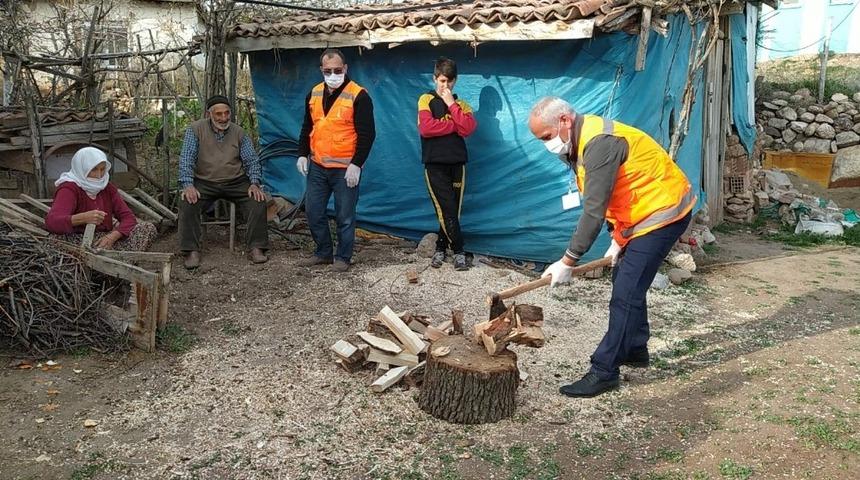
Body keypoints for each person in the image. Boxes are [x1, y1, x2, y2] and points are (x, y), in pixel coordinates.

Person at [528, 97, 697, 398]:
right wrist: (618, 238)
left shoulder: (598, 143)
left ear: (564, 120)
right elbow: (618, 194)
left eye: (546, 137)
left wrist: (568, 260)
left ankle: (605, 371)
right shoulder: (580, 140)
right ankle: (635, 348)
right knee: (626, 281)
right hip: (642, 213)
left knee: (625, 293)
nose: (547, 145)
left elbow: (593, 210)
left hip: (663, 213)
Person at [296, 48, 376, 272]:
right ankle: (323, 252)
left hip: (345, 169)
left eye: (337, 70)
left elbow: (367, 134)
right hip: (318, 166)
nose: (333, 74)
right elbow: (307, 126)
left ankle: (343, 257)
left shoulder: (359, 95)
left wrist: (356, 164)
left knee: (345, 216)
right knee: (313, 211)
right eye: (328, 70)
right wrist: (302, 153)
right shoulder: (314, 93)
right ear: (321, 70)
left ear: (346, 69)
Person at [178, 95, 269, 269]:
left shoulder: (238, 132)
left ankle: (257, 247)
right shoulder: (196, 130)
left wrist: (254, 183)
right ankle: (191, 250)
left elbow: (251, 161)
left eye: (227, 113)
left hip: (235, 180)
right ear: (209, 114)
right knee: (187, 201)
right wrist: (188, 185)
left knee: (257, 200)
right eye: (218, 114)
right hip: (204, 181)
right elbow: (187, 159)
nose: (223, 118)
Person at [417, 57, 477, 271]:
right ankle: (459, 251)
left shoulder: (462, 105)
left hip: (457, 163)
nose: (446, 85)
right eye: (442, 81)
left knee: (453, 210)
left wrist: (452, 104)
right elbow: (426, 128)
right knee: (446, 210)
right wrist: (454, 126)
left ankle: (441, 248)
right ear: (435, 79)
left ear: (456, 81)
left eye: (450, 81)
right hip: (434, 164)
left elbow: (468, 129)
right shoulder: (425, 99)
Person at [45, 147, 157, 251]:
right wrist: (82, 218)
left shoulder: (107, 188)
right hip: (77, 241)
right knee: (55, 240)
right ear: (82, 169)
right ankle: (105, 265)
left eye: (102, 169)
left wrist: (113, 236)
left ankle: (119, 263)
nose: (99, 175)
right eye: (93, 170)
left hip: (105, 239)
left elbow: (128, 217)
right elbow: (52, 222)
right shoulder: (69, 189)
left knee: (147, 228)